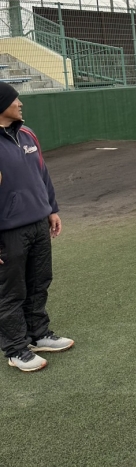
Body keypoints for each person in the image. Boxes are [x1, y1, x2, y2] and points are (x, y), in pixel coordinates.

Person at [0, 84, 73, 373]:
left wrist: (51, 208)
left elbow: (41, 173)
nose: (20, 103)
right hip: (8, 231)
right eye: (14, 99)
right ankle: (16, 349)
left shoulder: (28, 134)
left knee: (39, 281)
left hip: (38, 223)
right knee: (11, 291)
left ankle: (38, 334)